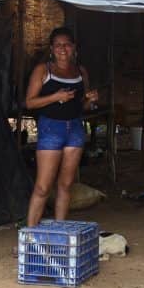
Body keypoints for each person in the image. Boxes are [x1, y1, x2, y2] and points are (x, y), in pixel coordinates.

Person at [24, 27, 98, 226]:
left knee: (65, 185)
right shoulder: (43, 70)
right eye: (58, 45)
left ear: (74, 48)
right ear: (51, 49)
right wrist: (56, 97)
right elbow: (30, 102)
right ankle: (30, 236)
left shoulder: (81, 72)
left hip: (74, 129)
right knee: (42, 187)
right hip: (51, 129)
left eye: (66, 44)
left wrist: (90, 101)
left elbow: (82, 106)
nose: (62, 49)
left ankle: (59, 233)